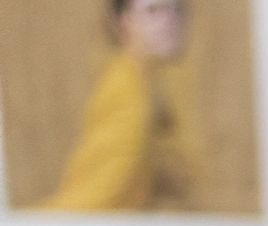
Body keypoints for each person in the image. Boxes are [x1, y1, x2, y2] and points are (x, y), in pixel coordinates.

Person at [40, 0, 196, 212]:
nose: (170, 22)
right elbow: (100, 192)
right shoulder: (129, 92)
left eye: (177, 10)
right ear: (124, 22)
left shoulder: (146, 85)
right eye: (154, 10)